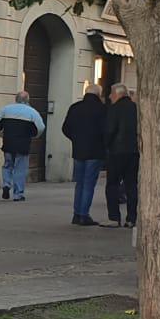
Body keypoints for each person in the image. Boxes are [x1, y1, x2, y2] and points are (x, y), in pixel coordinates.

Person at [60, 86, 106, 226]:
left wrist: (76, 139)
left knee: (80, 183)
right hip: (95, 151)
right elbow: (106, 130)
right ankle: (84, 215)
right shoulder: (102, 109)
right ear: (99, 94)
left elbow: (65, 128)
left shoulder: (75, 107)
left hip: (78, 150)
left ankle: (76, 213)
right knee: (89, 184)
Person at [0, 92, 45, 200]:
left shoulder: (5, 110)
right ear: (27, 100)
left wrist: (2, 135)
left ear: (16, 99)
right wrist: (34, 136)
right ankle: (18, 194)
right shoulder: (32, 112)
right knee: (20, 169)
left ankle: (6, 184)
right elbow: (40, 127)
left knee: (7, 165)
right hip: (23, 144)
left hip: (8, 143)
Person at [104, 84, 139, 227]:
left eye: (111, 94)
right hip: (133, 151)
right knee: (131, 185)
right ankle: (131, 218)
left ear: (118, 94)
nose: (109, 97)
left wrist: (106, 146)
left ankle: (114, 218)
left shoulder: (114, 109)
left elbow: (110, 130)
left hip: (116, 152)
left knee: (112, 184)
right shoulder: (136, 108)